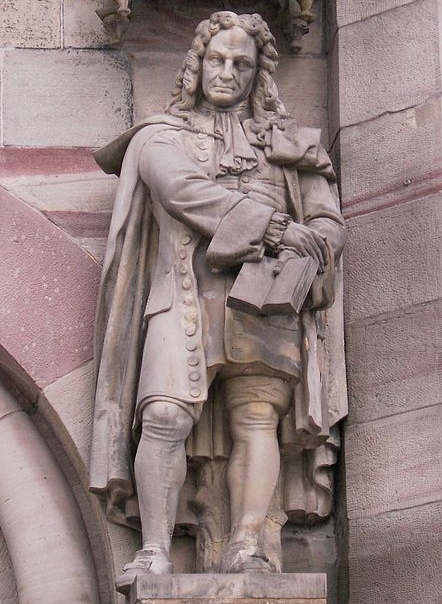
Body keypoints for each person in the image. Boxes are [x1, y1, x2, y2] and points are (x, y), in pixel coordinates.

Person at [89, 11, 347, 586]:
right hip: (183, 293)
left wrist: (313, 251)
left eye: (242, 64)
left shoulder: (288, 144)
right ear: (196, 65)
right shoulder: (159, 136)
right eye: (216, 60)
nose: (227, 73)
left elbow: (328, 220)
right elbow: (185, 191)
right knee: (161, 414)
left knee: (257, 417)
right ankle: (155, 549)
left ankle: (249, 545)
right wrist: (279, 229)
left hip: (267, 297)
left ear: (259, 76)